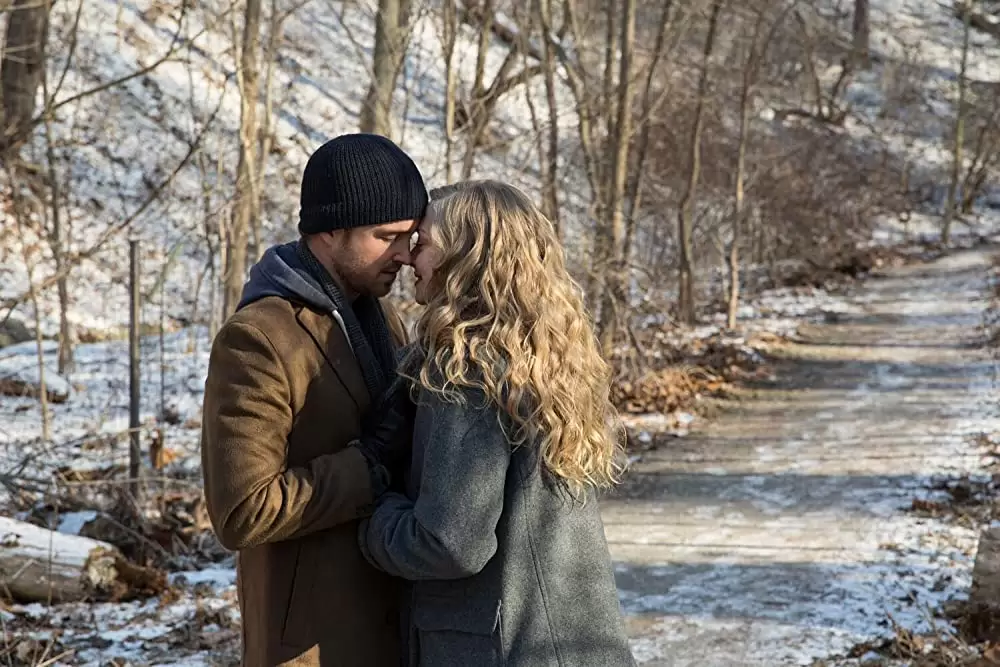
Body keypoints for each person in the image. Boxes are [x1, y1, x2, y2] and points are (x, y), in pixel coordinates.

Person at [358, 180, 637, 666]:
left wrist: (369, 515)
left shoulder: (469, 371)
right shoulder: (544, 357)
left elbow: (450, 543)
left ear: (464, 257)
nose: (408, 258)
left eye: (421, 244)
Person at [200, 133, 427, 667]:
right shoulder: (258, 338)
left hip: (391, 627)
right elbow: (241, 512)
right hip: (311, 644)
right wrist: (367, 465)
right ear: (328, 230)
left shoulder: (382, 316)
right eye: (386, 236)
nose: (403, 254)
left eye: (411, 237)